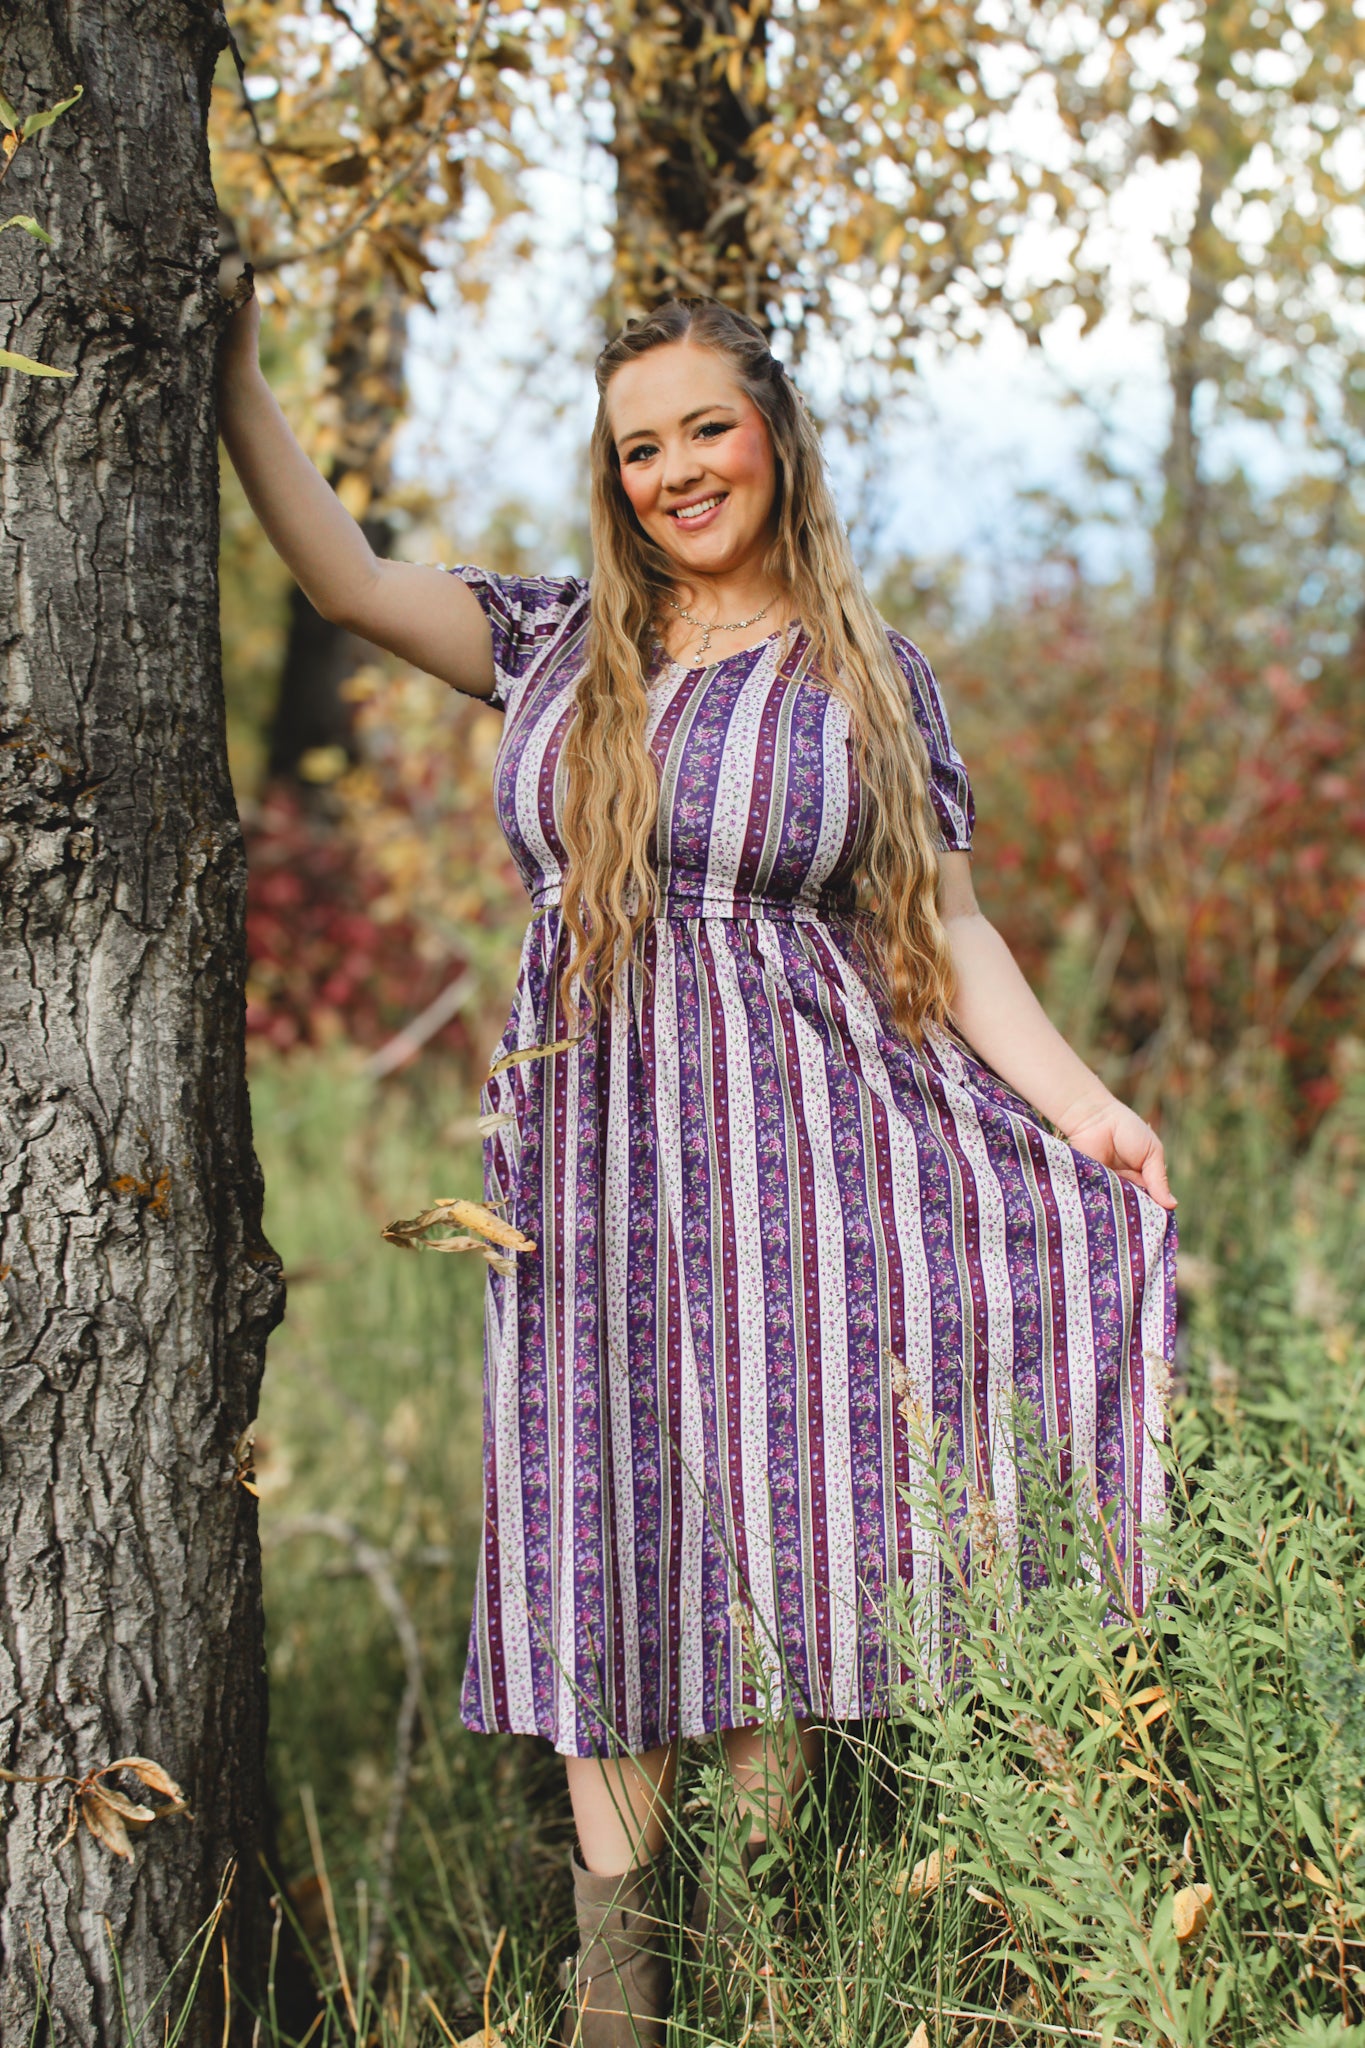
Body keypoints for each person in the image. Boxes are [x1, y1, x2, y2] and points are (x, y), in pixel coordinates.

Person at [219, 291, 1177, 2045]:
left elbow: (948, 933)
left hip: (806, 1155)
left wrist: (1087, 1109)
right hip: (581, 1156)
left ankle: (766, 1954)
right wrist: (226, 371)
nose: (672, 471)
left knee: (773, 1514)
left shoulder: (864, 675)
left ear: (775, 439)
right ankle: (619, 1994)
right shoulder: (553, 638)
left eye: (702, 431)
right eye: (636, 444)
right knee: (598, 1499)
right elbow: (347, 581)